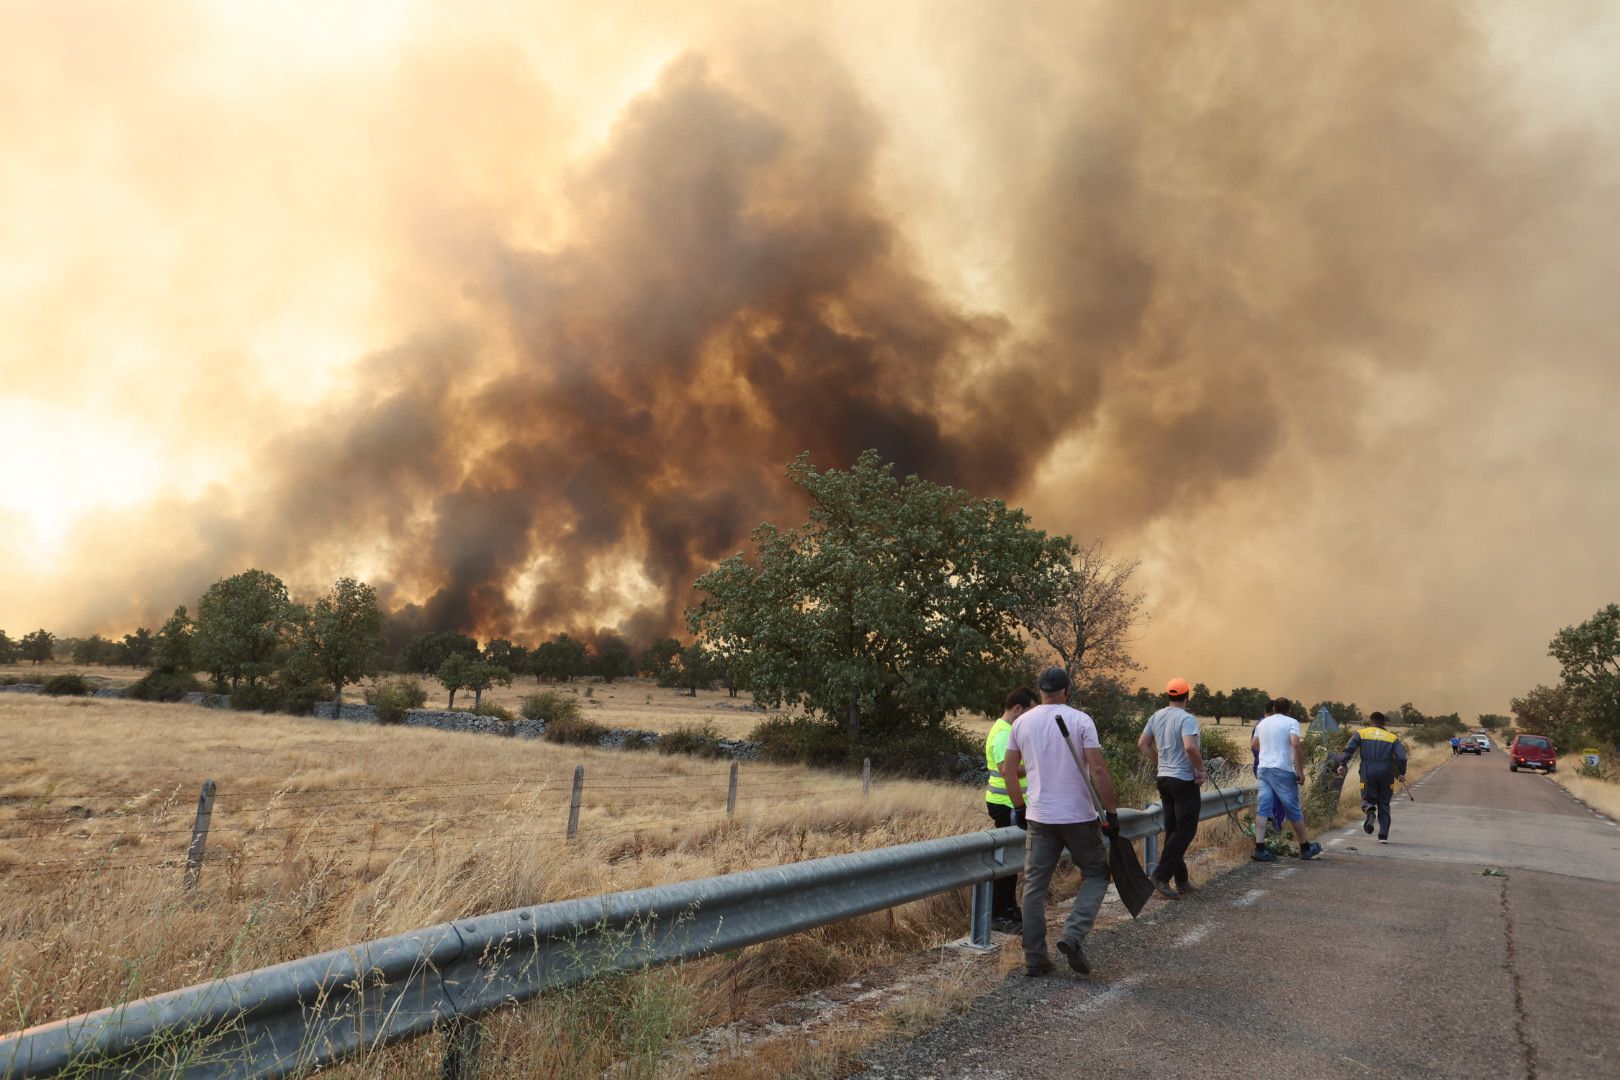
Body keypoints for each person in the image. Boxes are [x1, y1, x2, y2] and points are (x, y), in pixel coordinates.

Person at [1000, 667, 1121, 978]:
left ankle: (1034, 959)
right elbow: (1099, 771)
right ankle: (1073, 934)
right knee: (1096, 874)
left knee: (1034, 889)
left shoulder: (1022, 722)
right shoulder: (1081, 720)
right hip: (1079, 817)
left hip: (1039, 817)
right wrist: (1112, 813)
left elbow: (1009, 771)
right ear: (1067, 691)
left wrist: (1018, 807)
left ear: (1041, 691)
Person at [1137, 676, 1206, 899]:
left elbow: (1142, 744)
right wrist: (1201, 769)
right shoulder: (1187, 719)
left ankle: (1182, 881)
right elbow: (1190, 748)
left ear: (1169, 695)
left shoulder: (1157, 716)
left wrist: (1159, 761)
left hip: (1164, 779)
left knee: (1174, 830)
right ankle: (1161, 876)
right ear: (1187, 696)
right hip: (1183, 780)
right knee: (1186, 830)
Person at [984, 686, 1039, 931]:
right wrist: (1036, 764)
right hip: (1006, 804)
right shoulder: (1003, 734)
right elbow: (1008, 770)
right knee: (1006, 862)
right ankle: (999, 913)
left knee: (1012, 860)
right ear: (1018, 709)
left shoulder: (1010, 730)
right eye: (1029, 711)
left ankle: (1007, 908)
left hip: (1012, 804)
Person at [1249, 698, 1322, 862]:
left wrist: (1267, 752)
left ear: (1274, 708)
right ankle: (1305, 847)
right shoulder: (1292, 722)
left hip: (1263, 769)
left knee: (1263, 806)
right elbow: (1295, 744)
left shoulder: (1262, 723)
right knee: (1293, 808)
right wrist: (1300, 771)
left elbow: (1254, 744)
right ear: (1289, 710)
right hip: (1282, 769)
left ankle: (1259, 848)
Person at [1337, 711, 1409, 843]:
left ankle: (1370, 811)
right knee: (1384, 803)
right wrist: (1401, 773)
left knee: (1367, 799)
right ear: (1384, 723)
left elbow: (1349, 749)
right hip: (1387, 774)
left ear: (1371, 721)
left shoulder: (1361, 733)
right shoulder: (1392, 737)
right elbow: (1402, 758)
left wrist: (1342, 764)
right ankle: (1383, 836)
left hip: (1367, 772)